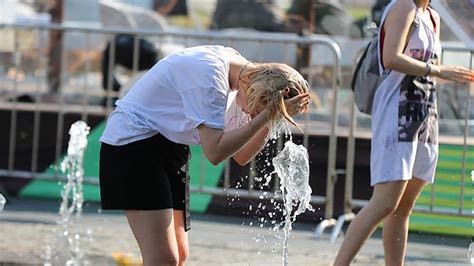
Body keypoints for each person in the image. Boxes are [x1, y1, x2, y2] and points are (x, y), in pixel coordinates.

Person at [99, 45, 311, 265]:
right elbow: (215, 153)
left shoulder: (243, 77)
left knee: (179, 256)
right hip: (133, 143)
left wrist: (272, 116)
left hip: (168, 144)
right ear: (257, 91)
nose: (251, 115)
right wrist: (266, 115)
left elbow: (241, 156)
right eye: (257, 109)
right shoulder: (210, 77)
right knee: (163, 260)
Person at [334, 0, 474, 265]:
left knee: (402, 208)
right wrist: (438, 70)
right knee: (385, 203)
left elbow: (429, 69)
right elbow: (391, 58)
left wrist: (457, 75)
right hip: (396, 114)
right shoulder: (404, 7)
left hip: (425, 116)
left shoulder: (432, 15)